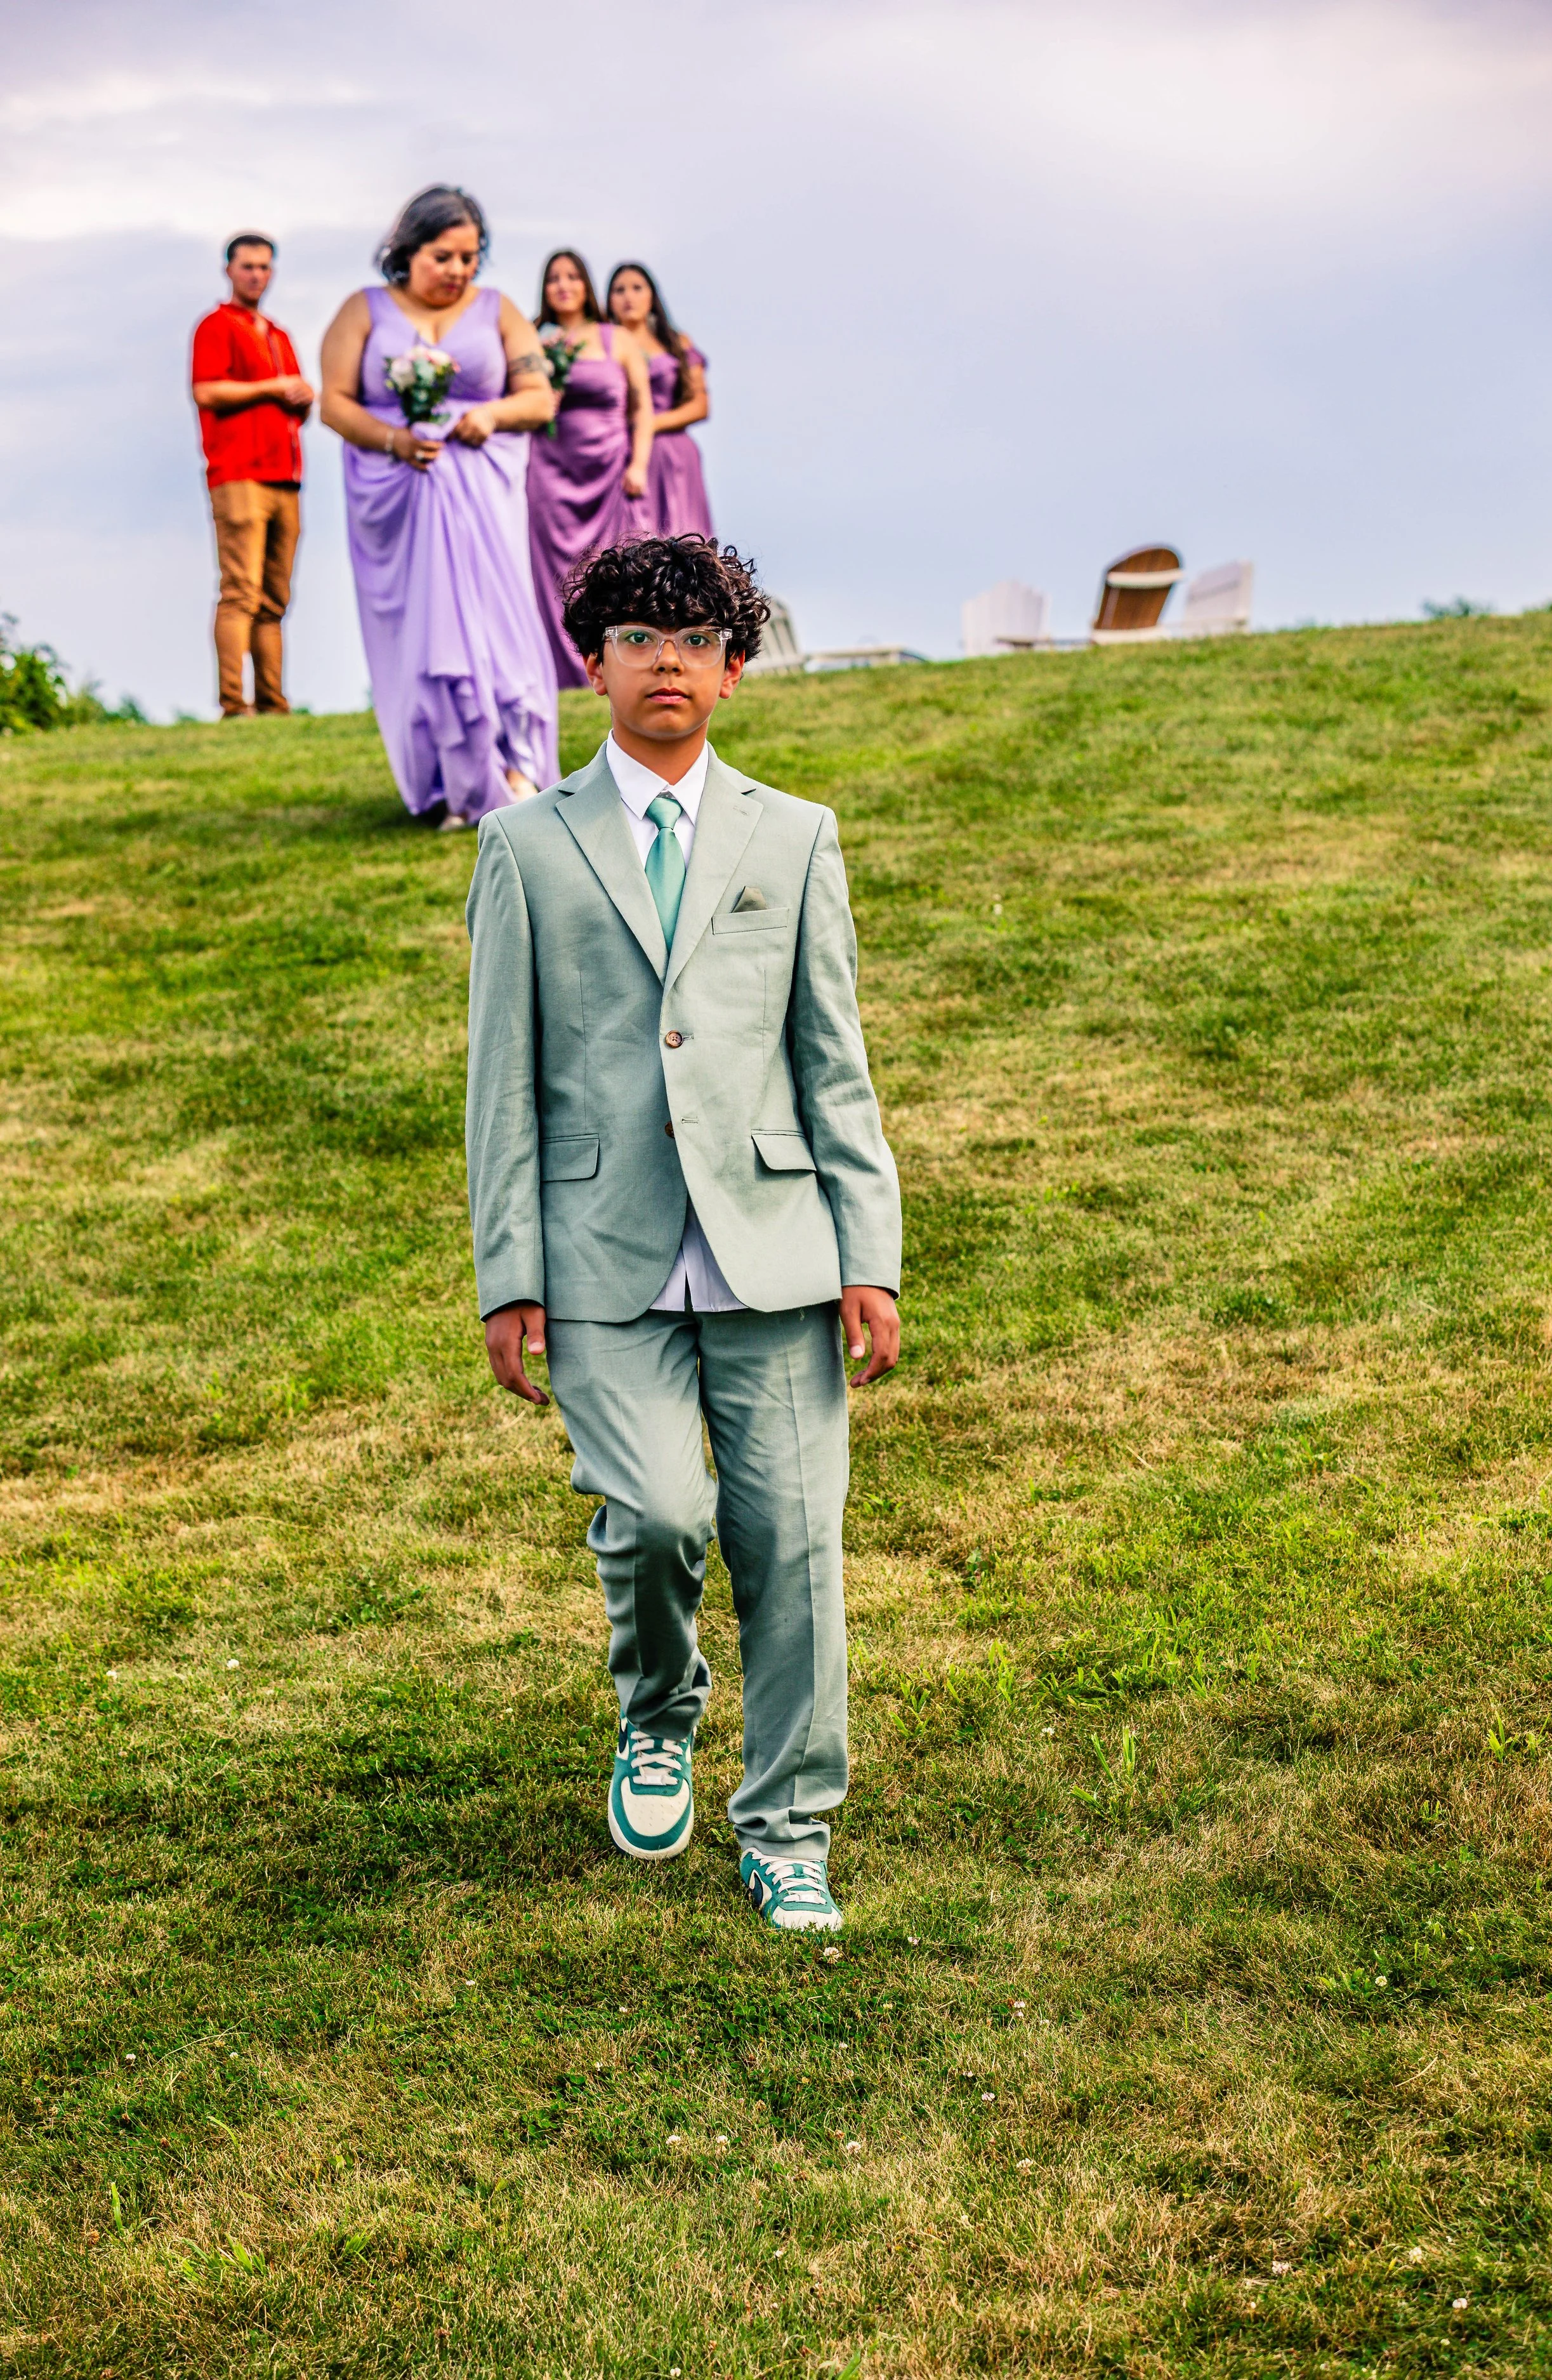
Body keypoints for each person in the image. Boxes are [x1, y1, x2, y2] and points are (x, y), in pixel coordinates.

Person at [466, 535, 902, 1934]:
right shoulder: (523, 847)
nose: (670, 662)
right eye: (641, 639)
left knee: (793, 1547)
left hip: (776, 1245)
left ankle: (788, 1827)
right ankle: (658, 1714)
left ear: (732, 670)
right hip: (599, 1256)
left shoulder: (795, 836)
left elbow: (834, 1062)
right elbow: (502, 1079)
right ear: (593, 663)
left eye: (697, 641)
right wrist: (507, 1275)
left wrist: (868, 1253)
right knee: (657, 1515)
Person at [319, 187, 560, 828]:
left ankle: (518, 767)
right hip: (402, 501)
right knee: (428, 634)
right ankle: (452, 782)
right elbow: (334, 403)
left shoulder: (499, 309)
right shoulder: (362, 310)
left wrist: (492, 414)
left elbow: (539, 398)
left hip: (483, 498)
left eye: (469, 258)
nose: (458, 271)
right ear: (408, 251)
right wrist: (393, 440)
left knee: (499, 623)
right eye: (443, 257)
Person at [190, 234, 314, 718]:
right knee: (241, 590)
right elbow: (206, 391)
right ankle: (233, 704)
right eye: (248, 266)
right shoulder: (216, 325)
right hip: (239, 473)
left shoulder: (279, 335)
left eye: (264, 267)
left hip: (286, 476)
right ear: (229, 270)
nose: (257, 275)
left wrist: (302, 396)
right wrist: (273, 387)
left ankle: (273, 703)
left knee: (275, 597)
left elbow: (294, 408)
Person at [527, 251, 655, 689]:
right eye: (554, 279)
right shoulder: (532, 340)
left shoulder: (616, 338)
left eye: (572, 277)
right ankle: (568, 673)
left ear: (586, 284)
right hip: (550, 471)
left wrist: (639, 463)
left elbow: (642, 407)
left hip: (611, 468)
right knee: (556, 574)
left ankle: (627, 664)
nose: (563, 286)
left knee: (622, 566)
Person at [606, 263, 713, 541]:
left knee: (683, 541)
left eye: (637, 288)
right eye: (619, 290)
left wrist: (649, 424)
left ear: (652, 296)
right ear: (609, 300)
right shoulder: (604, 346)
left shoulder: (677, 343)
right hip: (622, 456)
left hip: (674, 457)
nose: (628, 297)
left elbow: (700, 405)